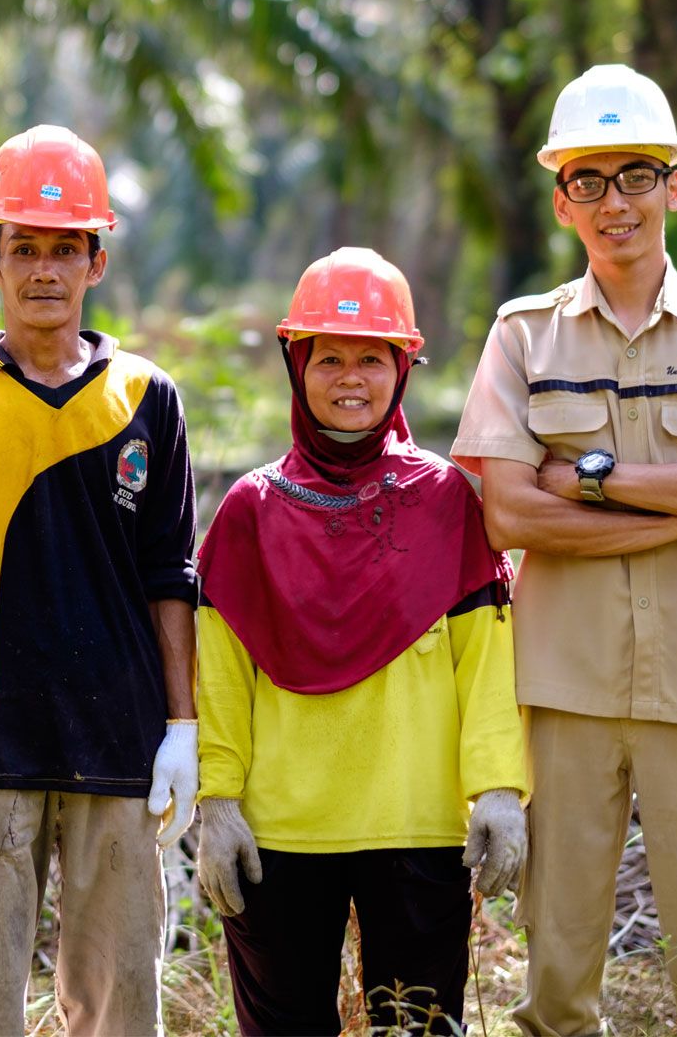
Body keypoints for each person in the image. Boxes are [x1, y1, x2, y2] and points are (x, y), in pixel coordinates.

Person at [451, 63, 677, 1036]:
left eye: (637, 175)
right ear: (562, 197)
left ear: (675, 185)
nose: (615, 202)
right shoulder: (524, 338)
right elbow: (509, 518)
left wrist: (596, 480)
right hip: (562, 692)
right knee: (557, 990)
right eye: (589, 179)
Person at [0, 123, 200, 1036]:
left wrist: (182, 727)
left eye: (65, 249)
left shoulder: (148, 397)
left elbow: (170, 575)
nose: (44, 270)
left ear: (95, 262)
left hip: (121, 742)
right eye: (23, 247)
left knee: (120, 1006)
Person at [194, 247, 525, 1036]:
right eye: (329, 358)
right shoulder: (250, 510)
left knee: (415, 1029)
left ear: (402, 367)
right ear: (296, 365)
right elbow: (219, 674)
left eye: (372, 358)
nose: (351, 378)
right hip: (280, 835)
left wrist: (501, 790)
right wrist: (216, 803)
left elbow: (485, 664)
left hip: (419, 830)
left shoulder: (448, 501)